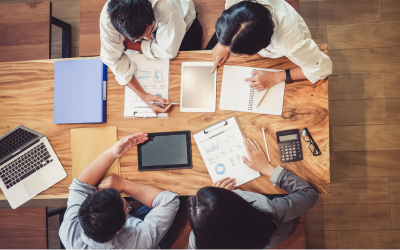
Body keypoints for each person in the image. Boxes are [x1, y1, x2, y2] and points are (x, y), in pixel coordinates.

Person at [187, 137, 319, 249]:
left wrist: (213, 206)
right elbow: (309, 194)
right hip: (275, 233)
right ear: (235, 202)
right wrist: (267, 168)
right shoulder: (269, 210)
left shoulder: (196, 242)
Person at [59, 133, 180, 249]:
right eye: (126, 207)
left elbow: (80, 187)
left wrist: (112, 153)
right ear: (121, 228)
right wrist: (123, 185)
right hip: (141, 238)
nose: (127, 206)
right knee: (175, 193)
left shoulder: (69, 232)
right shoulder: (141, 241)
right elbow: (169, 200)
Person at [100, 0, 203, 114]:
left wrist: (133, 45)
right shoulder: (108, 18)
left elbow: (168, 51)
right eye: (142, 37)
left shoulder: (166, 8)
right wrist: (143, 96)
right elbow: (112, 59)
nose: (149, 39)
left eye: (150, 31)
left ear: (150, 6)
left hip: (182, 22)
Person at [208, 0, 332, 90]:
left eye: (236, 52)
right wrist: (225, 40)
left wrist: (277, 76)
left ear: (261, 45)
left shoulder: (291, 44)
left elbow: (322, 69)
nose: (230, 51)